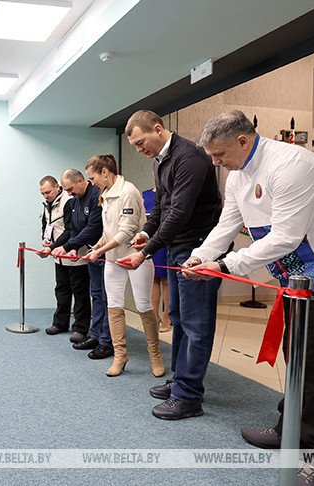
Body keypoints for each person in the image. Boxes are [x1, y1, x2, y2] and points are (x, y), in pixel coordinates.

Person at [184, 110, 314, 485]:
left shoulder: (293, 165)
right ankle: (290, 430)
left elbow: (286, 236)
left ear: (242, 140)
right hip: (296, 281)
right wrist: (202, 255)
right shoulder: (238, 175)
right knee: (295, 356)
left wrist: (227, 266)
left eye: (219, 154)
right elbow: (227, 223)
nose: (215, 162)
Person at [120, 110, 223, 420]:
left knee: (196, 323)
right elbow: (161, 208)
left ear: (158, 128)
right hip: (179, 247)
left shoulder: (188, 157)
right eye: (135, 146)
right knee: (178, 316)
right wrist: (145, 233)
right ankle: (180, 380)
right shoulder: (160, 161)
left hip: (199, 248)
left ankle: (189, 396)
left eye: (141, 142)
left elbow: (178, 212)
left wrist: (146, 252)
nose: (139, 150)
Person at [84, 155, 164, 377]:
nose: (92, 183)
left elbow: (127, 231)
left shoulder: (127, 191)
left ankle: (155, 354)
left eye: (93, 178)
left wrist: (100, 251)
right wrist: (98, 246)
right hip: (113, 259)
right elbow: (109, 229)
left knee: (144, 305)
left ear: (105, 172)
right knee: (114, 306)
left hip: (136, 257)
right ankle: (120, 355)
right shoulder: (106, 195)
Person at [50, 169, 103, 353]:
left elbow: (93, 228)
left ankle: (100, 336)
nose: (69, 193)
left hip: (103, 252)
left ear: (81, 180)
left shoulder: (96, 195)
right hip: (89, 253)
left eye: (71, 188)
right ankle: (96, 335)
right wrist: (72, 247)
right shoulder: (75, 200)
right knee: (96, 295)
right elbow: (74, 228)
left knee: (99, 297)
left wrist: (66, 246)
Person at [37, 176, 91, 338]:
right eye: (43, 193)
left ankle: (80, 328)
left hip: (75, 255)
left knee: (80, 293)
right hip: (58, 255)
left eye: (48, 192)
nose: (46, 196)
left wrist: (53, 247)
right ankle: (60, 323)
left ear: (57, 187)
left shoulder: (69, 201)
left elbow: (70, 230)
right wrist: (46, 240)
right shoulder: (47, 204)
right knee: (61, 290)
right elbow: (47, 224)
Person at [142, 186, 171, 333]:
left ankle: (167, 317)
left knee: (166, 280)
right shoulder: (145, 194)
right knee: (154, 279)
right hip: (150, 241)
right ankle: (154, 316)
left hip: (165, 240)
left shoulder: (169, 193)